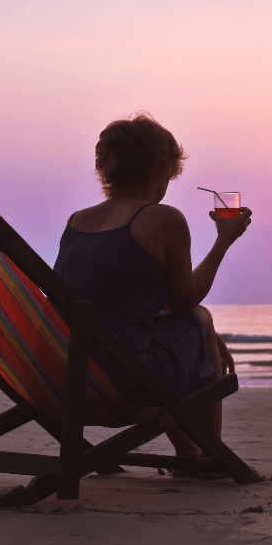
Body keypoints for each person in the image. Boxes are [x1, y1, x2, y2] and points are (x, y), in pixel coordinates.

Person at [54, 112, 252, 467]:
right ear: (162, 170)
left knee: (183, 324)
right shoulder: (163, 219)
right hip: (126, 386)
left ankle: (189, 451)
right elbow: (185, 301)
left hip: (63, 382)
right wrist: (224, 241)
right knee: (200, 316)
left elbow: (116, 303)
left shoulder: (77, 222)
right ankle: (209, 457)